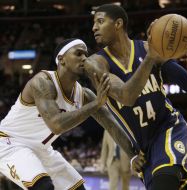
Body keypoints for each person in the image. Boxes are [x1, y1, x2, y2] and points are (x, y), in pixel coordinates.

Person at [81, 4, 187, 190]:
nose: (93, 28)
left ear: (118, 24)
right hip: (145, 149)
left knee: (165, 181)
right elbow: (126, 96)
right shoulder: (95, 64)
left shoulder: (148, 48)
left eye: (100, 21)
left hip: (169, 128)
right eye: (93, 23)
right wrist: (150, 58)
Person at [0, 38, 137, 190]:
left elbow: (112, 126)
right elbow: (56, 125)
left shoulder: (85, 95)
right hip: (10, 143)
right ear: (61, 59)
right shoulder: (42, 82)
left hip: (42, 149)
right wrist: (96, 104)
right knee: (43, 187)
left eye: (86, 54)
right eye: (78, 53)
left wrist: (135, 156)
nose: (84, 58)